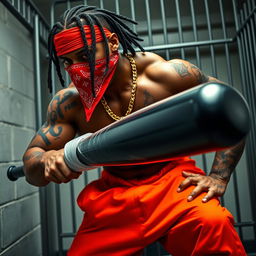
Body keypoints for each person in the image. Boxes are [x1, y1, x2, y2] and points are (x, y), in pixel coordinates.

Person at [23, 5, 247, 256]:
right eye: (67, 62)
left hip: (174, 184)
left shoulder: (163, 75)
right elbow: (33, 162)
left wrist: (218, 177)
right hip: (116, 196)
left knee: (214, 226)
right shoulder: (68, 103)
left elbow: (230, 108)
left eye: (85, 56)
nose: (76, 68)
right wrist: (45, 159)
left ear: (113, 43)